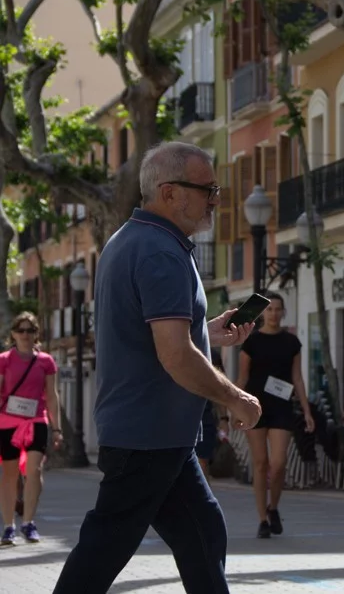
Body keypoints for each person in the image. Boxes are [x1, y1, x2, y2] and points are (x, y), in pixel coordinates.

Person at [52, 141, 262, 594]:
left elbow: (161, 339)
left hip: (157, 435)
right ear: (169, 192)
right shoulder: (160, 253)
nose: (215, 200)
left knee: (203, 534)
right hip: (146, 437)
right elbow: (174, 355)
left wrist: (209, 332)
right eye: (207, 189)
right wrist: (236, 397)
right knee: (104, 548)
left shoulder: (134, 239)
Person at [237, 292, 313, 539]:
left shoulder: (292, 342)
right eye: (269, 310)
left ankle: (274, 507)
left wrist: (307, 410)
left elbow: (298, 378)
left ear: (283, 312)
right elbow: (242, 377)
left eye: (278, 309)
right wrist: (235, 406)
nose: (274, 314)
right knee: (260, 464)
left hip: (282, 406)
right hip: (255, 406)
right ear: (263, 313)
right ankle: (262, 520)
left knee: (278, 464)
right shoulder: (251, 342)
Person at [0, 311, 62, 546]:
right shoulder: (4, 359)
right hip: (7, 422)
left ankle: (28, 522)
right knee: (10, 473)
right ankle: (8, 527)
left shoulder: (46, 361)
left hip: (36, 421)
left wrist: (57, 428)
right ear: (13, 333)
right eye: (21, 330)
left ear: (36, 334)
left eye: (30, 330)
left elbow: (52, 395)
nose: (25, 335)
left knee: (34, 470)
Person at [195, 348, 229, 479]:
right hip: (174, 417)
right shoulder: (169, 348)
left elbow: (220, 389)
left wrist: (224, 419)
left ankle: (201, 498)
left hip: (203, 417)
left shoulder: (211, 354)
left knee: (201, 463)